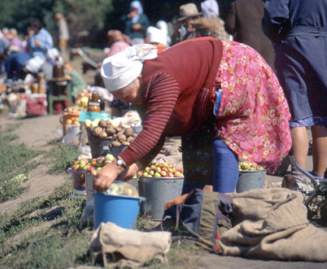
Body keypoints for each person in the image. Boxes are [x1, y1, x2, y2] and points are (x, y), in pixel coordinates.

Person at [95, 39, 291, 193]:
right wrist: (136, 166)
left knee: (223, 142)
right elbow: (159, 133)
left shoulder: (160, 78)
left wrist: (117, 164)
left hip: (236, 70)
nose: (129, 102)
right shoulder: (141, 91)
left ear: (138, 78)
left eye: (128, 95)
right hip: (207, 88)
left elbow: (152, 132)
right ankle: (192, 209)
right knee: (195, 145)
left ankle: (223, 210)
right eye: (123, 99)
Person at [262, 0, 327, 181]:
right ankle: (319, 177)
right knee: (324, 114)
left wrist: (279, 38)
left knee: (298, 112)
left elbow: (273, 14)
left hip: (294, 45)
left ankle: (299, 176)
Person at [225, 0, 275, 69]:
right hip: (267, 53)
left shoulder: (236, 5)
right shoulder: (265, 6)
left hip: (247, 51)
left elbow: (229, 27)